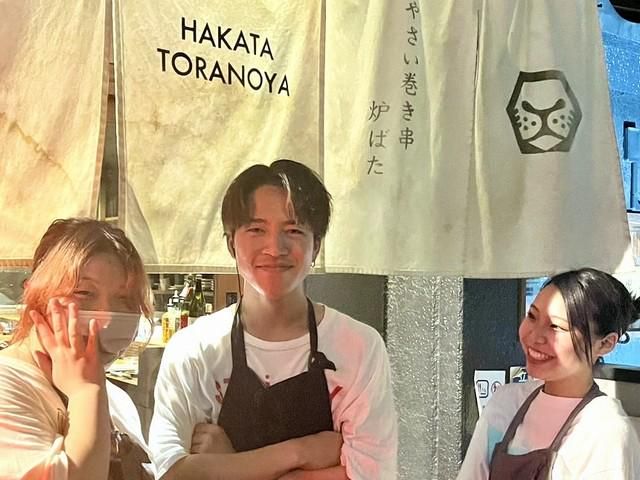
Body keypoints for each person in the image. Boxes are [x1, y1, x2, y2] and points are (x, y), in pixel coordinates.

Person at [149, 159, 398, 480]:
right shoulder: (194, 351)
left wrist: (226, 465)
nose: (274, 247)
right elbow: (172, 473)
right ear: (231, 243)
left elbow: (372, 475)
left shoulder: (359, 347)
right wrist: (302, 452)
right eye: (256, 230)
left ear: (316, 246)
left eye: (293, 230)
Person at [0, 218, 155, 480]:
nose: (106, 319)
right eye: (83, 293)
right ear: (35, 293)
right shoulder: (7, 386)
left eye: (125, 299)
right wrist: (86, 392)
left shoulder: (118, 401)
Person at [458, 268, 640, 479]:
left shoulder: (605, 431)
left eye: (556, 326)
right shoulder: (506, 402)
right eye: (532, 316)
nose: (534, 336)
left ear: (606, 344)